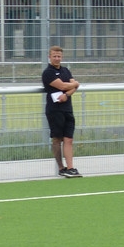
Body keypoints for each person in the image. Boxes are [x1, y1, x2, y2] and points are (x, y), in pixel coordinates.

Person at [41, 45, 82, 178]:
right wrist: (75, 84)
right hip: (55, 109)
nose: (57, 58)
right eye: (54, 56)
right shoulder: (48, 72)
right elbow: (64, 85)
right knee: (57, 139)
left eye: (59, 56)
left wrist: (67, 94)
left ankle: (71, 168)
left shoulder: (65, 70)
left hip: (67, 108)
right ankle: (61, 168)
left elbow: (71, 87)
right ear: (50, 57)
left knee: (69, 139)